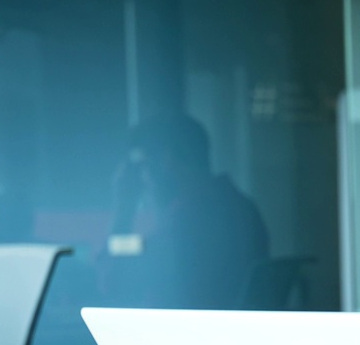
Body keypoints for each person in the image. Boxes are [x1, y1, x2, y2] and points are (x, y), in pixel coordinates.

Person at [99, 113, 270, 310]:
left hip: (180, 336)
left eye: (143, 165)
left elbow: (112, 283)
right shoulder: (243, 208)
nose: (143, 180)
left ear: (165, 160)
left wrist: (124, 209)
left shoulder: (182, 224)